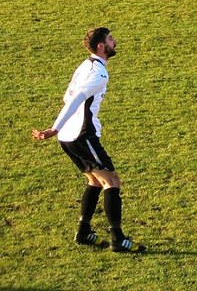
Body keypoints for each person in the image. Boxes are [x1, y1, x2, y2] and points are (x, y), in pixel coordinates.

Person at [31, 27, 147, 253]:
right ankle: (118, 239)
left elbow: (68, 96)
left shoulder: (85, 66)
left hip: (69, 136)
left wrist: (60, 128)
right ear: (102, 46)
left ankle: (84, 232)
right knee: (112, 181)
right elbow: (74, 101)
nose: (115, 41)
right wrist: (54, 128)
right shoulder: (99, 73)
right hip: (81, 135)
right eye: (111, 39)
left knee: (94, 181)